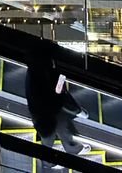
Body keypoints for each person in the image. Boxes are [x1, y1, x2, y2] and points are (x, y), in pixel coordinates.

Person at [25, 42, 90, 171]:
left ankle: (65, 151)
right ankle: (56, 157)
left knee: (52, 132)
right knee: (53, 132)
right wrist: (78, 111)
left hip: (42, 111)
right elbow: (61, 95)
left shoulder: (33, 72)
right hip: (46, 111)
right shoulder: (48, 74)